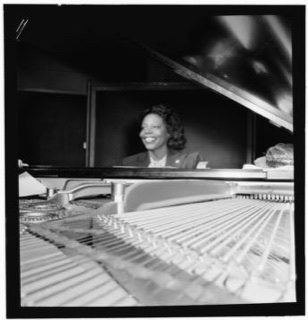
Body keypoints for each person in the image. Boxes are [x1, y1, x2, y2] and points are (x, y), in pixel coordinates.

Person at [122, 104, 201, 169]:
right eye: (144, 127)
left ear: (169, 132)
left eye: (155, 127)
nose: (147, 131)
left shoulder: (188, 161)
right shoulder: (128, 163)